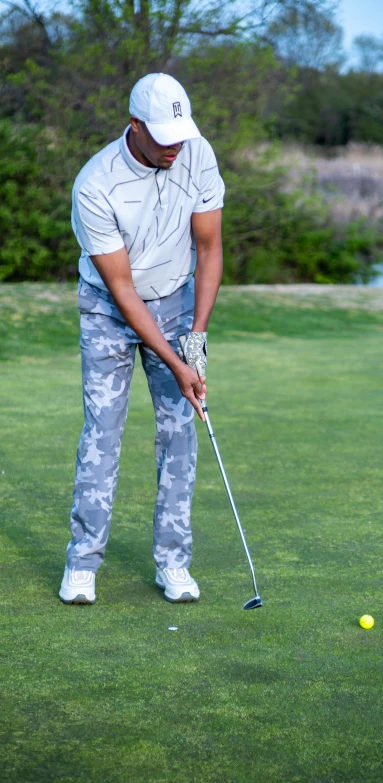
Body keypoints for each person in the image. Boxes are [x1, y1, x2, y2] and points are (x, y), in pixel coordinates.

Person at [59, 73, 224, 605]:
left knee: (180, 432)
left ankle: (174, 564)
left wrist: (195, 336)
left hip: (175, 300)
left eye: (181, 134)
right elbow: (123, 289)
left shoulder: (195, 154)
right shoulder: (96, 184)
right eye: (164, 137)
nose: (175, 147)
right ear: (134, 126)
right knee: (102, 435)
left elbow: (210, 248)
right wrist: (177, 366)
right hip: (109, 308)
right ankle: (82, 563)